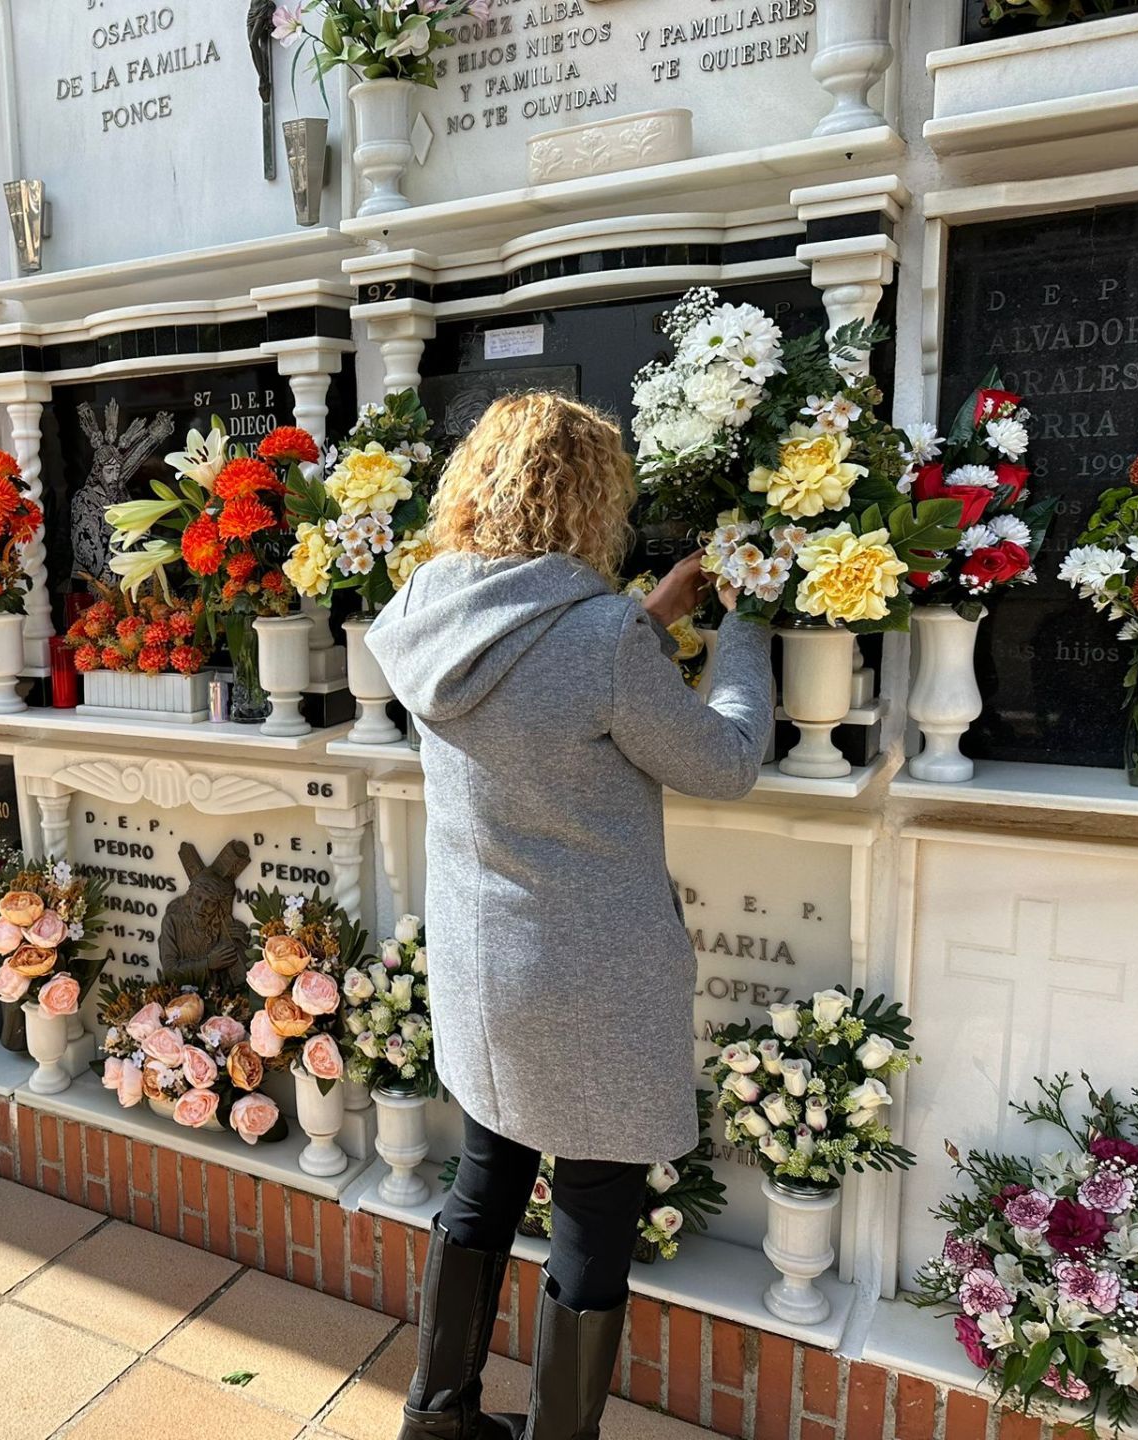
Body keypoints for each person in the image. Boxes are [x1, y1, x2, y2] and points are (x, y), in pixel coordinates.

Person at [367, 392, 774, 1440]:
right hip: (591, 977)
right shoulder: (597, 640)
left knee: (487, 1178)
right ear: (593, 500)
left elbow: (529, 695)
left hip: (481, 967)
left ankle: (437, 1416)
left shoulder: (427, 614)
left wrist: (642, 622)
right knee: (594, 1206)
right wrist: (746, 632)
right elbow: (723, 762)